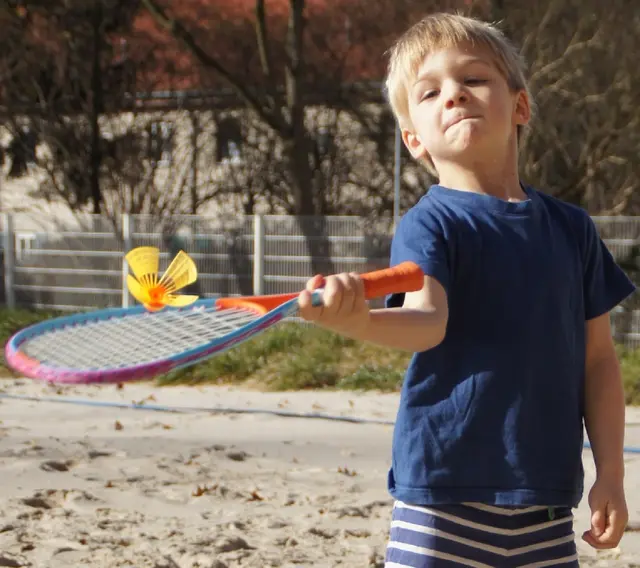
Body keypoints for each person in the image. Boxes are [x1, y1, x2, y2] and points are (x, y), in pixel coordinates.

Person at [298, 12, 636, 567]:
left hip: (545, 501)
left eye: (474, 79)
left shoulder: (572, 229)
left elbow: (599, 362)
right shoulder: (430, 224)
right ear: (414, 139)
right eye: (430, 92)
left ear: (520, 106)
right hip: (442, 494)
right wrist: (354, 320)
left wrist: (612, 476)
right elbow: (428, 320)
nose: (454, 95)